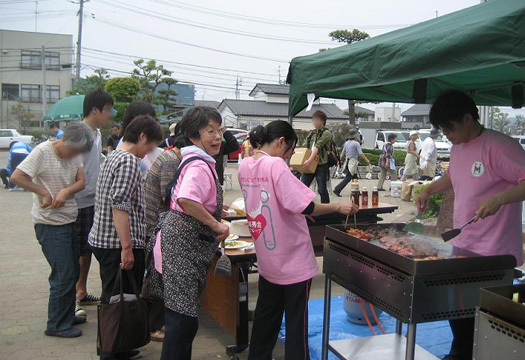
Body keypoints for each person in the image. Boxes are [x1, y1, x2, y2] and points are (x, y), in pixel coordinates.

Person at [416, 90, 525, 360]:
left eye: (448, 127)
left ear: (467, 118)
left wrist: (500, 198)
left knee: (484, 319)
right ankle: (460, 352)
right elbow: (454, 175)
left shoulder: (500, 147)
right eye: (441, 129)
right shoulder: (458, 147)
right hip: (462, 245)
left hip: (494, 253)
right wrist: (429, 189)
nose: (446, 134)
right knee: (458, 310)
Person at [238, 120, 359, 360]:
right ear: (282, 142)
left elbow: (284, 203)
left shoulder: (245, 165)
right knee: (296, 323)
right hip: (291, 259)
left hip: (267, 257)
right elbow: (305, 204)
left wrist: (302, 210)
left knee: (266, 316)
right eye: (291, 150)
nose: (289, 156)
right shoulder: (275, 164)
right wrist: (338, 206)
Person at [150, 106, 230, 360]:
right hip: (181, 249)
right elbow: (186, 199)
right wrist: (217, 225)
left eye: (219, 130)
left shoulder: (195, 159)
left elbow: (186, 197)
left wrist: (216, 209)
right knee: (182, 322)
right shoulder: (198, 164)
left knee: (181, 318)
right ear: (195, 136)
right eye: (210, 131)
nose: (217, 137)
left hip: (179, 245)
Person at [89, 115, 163, 360]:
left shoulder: (113, 155)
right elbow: (119, 205)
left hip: (104, 239)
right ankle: (110, 351)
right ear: (142, 137)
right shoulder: (128, 161)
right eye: (151, 145)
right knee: (115, 300)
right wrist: (127, 248)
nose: (150, 151)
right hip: (114, 243)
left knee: (114, 297)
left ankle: (115, 345)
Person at [10, 122, 94, 338]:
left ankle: (65, 314)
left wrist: (66, 191)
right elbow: (17, 177)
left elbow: (81, 182)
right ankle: (56, 324)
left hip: (70, 219)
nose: (75, 156)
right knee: (64, 273)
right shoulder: (42, 152)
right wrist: (43, 192)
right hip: (49, 223)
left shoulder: (76, 152)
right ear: (64, 140)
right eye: (73, 151)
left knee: (72, 270)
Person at [74, 88, 115, 319]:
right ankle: (72, 299)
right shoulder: (79, 133)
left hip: (92, 199)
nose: (110, 115)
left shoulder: (96, 132)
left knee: (87, 250)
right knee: (75, 252)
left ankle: (81, 290)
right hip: (77, 202)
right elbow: (69, 165)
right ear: (95, 110)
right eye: (107, 110)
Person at [143, 138, 183, 343]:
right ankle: (152, 326)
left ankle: (153, 323)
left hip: (158, 223)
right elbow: (169, 197)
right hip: (156, 225)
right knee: (157, 277)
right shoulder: (170, 161)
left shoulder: (170, 156)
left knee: (157, 275)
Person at [301, 110, 332, 203]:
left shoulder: (326, 133)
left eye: (317, 120)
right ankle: (304, 207)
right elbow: (304, 146)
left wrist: (309, 160)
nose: (315, 122)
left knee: (322, 189)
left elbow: (317, 147)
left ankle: (326, 209)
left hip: (321, 164)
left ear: (323, 121)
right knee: (303, 187)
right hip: (309, 164)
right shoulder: (312, 133)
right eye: (313, 120)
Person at [333, 130, 371, 197]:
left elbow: (342, 153)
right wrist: (367, 160)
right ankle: (337, 189)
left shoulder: (346, 143)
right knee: (348, 178)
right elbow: (360, 153)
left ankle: (356, 191)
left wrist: (338, 160)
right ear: (355, 136)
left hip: (347, 161)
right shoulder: (356, 144)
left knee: (354, 177)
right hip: (352, 162)